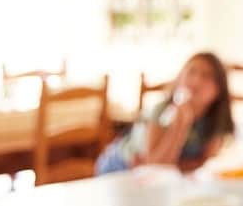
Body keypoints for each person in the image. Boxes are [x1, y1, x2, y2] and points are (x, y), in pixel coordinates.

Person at [96, 52, 235, 174]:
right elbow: (156, 167)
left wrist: (171, 165)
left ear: (219, 89)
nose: (196, 80)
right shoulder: (161, 112)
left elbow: (203, 164)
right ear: (180, 77)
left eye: (206, 76)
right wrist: (181, 124)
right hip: (120, 170)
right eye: (192, 72)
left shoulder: (216, 123)